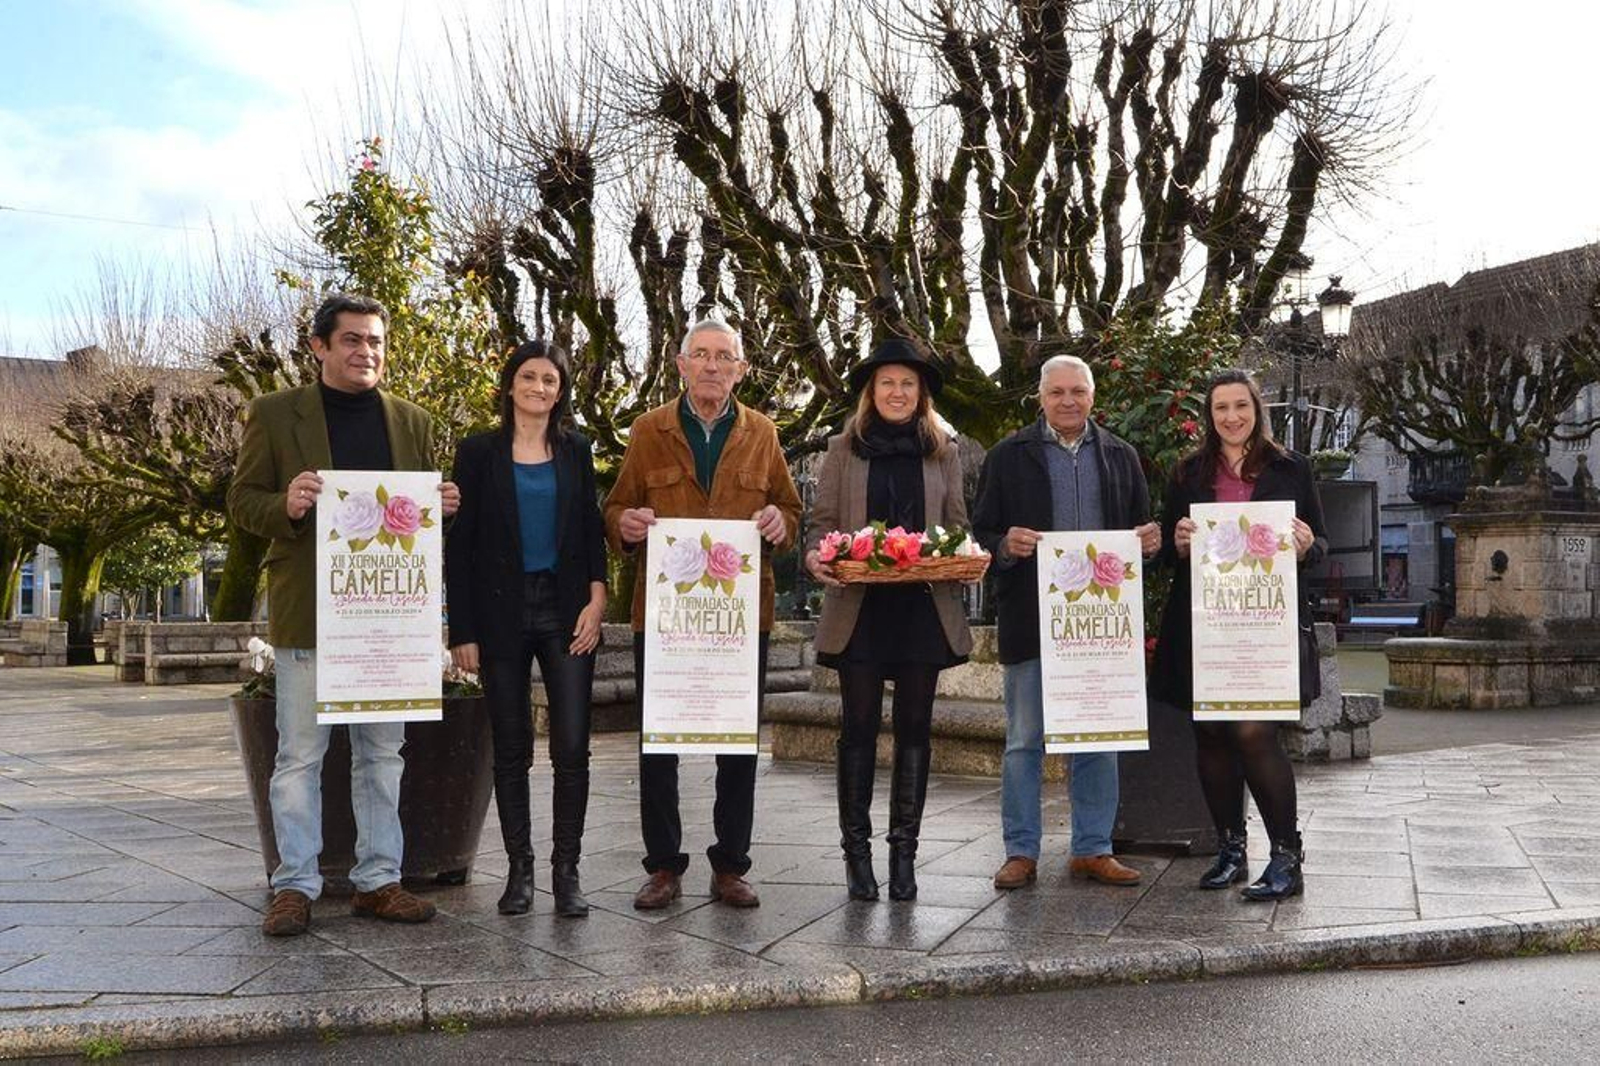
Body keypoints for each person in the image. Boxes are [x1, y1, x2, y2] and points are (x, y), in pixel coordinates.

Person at [228, 293, 459, 936]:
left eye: (376, 341)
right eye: (353, 340)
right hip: (312, 613)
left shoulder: (412, 421)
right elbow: (243, 502)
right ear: (320, 347)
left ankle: (379, 880)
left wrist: (440, 503)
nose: (367, 352)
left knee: (383, 754)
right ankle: (294, 886)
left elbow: (413, 518)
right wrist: (288, 504)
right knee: (299, 756)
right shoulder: (273, 415)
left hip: (388, 615)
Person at [603, 318, 802, 910]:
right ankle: (663, 865)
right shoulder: (648, 430)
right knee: (657, 743)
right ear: (681, 364)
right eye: (702, 355)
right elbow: (614, 507)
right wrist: (626, 525)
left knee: (737, 744)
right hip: (665, 617)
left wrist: (778, 523)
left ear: (741, 369)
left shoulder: (763, 433)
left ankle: (730, 866)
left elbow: (790, 510)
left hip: (739, 618)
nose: (713, 366)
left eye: (725, 357)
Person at [972, 355, 1160, 891]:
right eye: (1057, 392)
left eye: (1077, 390)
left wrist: (1149, 542)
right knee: (1024, 740)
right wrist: (1004, 544)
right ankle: (1021, 851)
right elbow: (981, 534)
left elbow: (1139, 538)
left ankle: (1093, 848)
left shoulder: (1122, 456)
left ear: (1093, 395)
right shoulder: (1007, 456)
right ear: (1040, 397)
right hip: (1032, 620)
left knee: (1099, 736)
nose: (1068, 401)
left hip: (1102, 626)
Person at [804, 339, 973, 902]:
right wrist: (816, 555)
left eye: (907, 384)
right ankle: (858, 857)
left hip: (923, 608)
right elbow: (820, 522)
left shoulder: (943, 450)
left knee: (915, 733)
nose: (897, 393)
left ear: (920, 393)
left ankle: (905, 856)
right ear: (870, 393)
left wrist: (966, 558)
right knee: (856, 731)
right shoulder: (842, 450)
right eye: (886, 384)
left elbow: (957, 526)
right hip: (861, 612)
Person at [445, 340, 607, 918]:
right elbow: (458, 546)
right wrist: (460, 628)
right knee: (510, 749)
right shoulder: (478, 452)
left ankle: (567, 874)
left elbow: (591, 529)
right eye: (530, 377)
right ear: (510, 384)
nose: (540, 388)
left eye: (551, 381)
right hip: (499, 613)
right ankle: (520, 872)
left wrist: (597, 598)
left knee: (572, 748)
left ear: (560, 393)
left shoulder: (577, 451)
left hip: (566, 612)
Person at [1152, 368, 1327, 901]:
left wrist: (1304, 545)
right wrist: (1175, 541)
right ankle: (1230, 848)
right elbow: (1163, 551)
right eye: (1220, 408)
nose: (1231, 417)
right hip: (1202, 624)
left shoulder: (1292, 468)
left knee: (1253, 733)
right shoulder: (1187, 473)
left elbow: (1322, 549)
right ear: (1208, 415)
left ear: (1257, 410)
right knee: (1210, 735)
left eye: (1241, 406)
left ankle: (1286, 856)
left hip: (1263, 628)